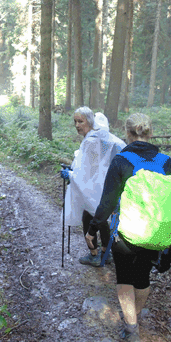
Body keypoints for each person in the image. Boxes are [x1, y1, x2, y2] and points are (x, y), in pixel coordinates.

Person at [86, 112, 171, 342]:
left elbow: (107, 201)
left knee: (125, 279)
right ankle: (134, 317)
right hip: (157, 232)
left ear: (127, 134)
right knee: (142, 277)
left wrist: (92, 229)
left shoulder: (121, 160)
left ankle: (131, 330)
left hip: (126, 234)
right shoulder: (166, 162)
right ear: (151, 133)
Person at [60, 107, 126, 267]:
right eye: (75, 121)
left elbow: (86, 173)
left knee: (90, 217)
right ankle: (104, 253)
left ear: (89, 122)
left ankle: (95, 255)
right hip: (105, 186)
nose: (77, 125)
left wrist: (70, 175)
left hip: (96, 188)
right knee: (100, 218)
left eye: (80, 121)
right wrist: (73, 169)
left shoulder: (91, 140)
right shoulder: (99, 137)